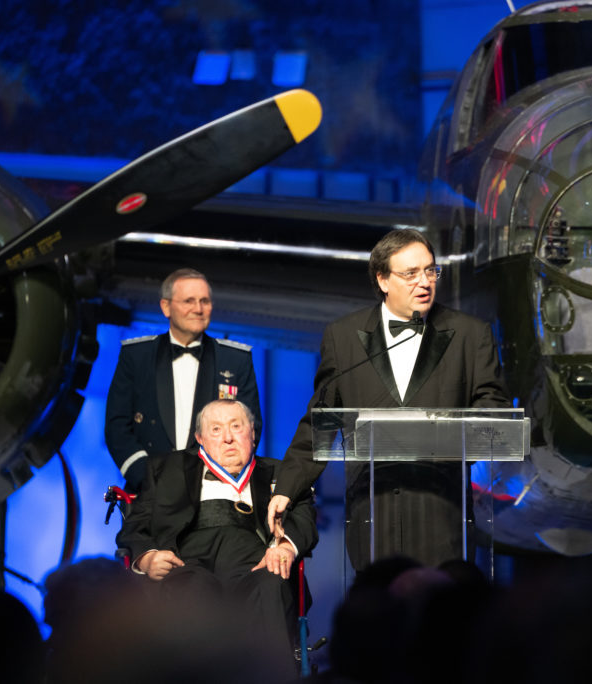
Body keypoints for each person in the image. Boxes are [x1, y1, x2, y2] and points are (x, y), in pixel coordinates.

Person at [268, 228, 509, 568]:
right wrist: (286, 488)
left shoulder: (471, 334)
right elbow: (319, 420)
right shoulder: (343, 337)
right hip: (371, 509)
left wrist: (445, 435)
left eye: (430, 270)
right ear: (382, 280)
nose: (424, 282)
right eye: (410, 274)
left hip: (440, 508)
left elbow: (493, 411)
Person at [117, 399, 317, 678]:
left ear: (253, 433)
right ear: (199, 438)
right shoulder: (165, 469)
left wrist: (285, 546)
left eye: (236, 427)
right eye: (216, 429)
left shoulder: (278, 472)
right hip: (188, 564)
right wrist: (148, 558)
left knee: (273, 583)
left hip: (257, 565)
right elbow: (134, 527)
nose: (227, 438)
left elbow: (304, 515)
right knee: (191, 589)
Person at [105, 268, 262, 493]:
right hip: (148, 494)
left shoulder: (236, 360)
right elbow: (117, 426)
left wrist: (215, 480)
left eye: (204, 301)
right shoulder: (136, 356)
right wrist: (146, 477)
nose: (198, 309)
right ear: (166, 306)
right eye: (189, 301)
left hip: (215, 493)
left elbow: (250, 426)